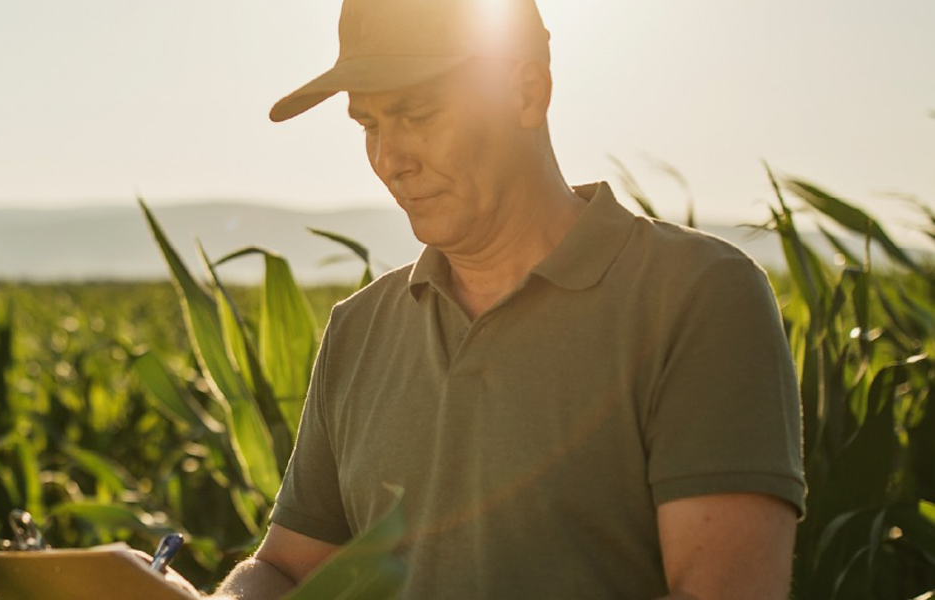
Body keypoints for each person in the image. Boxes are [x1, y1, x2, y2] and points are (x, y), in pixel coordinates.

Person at [160, 0, 806, 597]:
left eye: (416, 114)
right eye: (368, 123)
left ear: (527, 92)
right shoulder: (358, 331)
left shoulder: (697, 298)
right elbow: (286, 571)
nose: (389, 158)